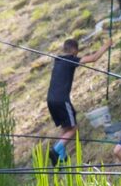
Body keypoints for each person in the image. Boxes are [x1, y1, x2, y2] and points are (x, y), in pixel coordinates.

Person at [45, 37, 112, 166]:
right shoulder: (70, 59)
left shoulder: (58, 60)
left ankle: (60, 156)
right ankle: (55, 149)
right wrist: (106, 45)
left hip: (51, 100)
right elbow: (93, 58)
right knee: (73, 129)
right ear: (74, 50)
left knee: (66, 127)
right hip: (61, 100)